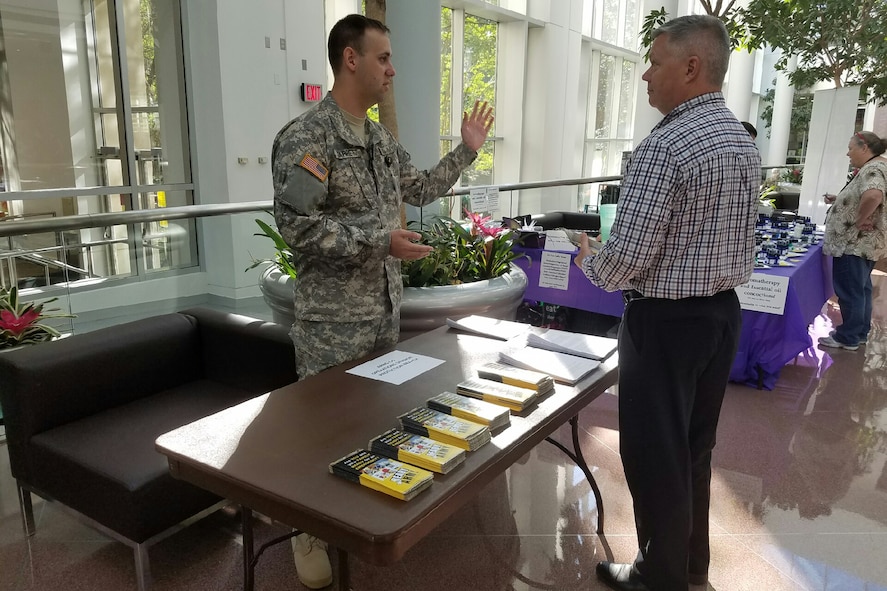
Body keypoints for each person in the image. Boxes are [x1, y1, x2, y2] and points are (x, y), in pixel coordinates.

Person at [270, 13, 493, 589]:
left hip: (381, 316)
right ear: (351, 59)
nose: (392, 69)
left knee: (373, 423)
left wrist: (465, 152)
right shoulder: (308, 138)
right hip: (332, 323)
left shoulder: (376, 138)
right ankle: (308, 530)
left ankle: (358, 521)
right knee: (319, 430)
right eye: (384, 57)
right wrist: (380, 241)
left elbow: (415, 188)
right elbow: (298, 229)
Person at [573, 15, 760, 591]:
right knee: (693, 450)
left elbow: (625, 260)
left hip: (664, 323)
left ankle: (658, 575)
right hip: (721, 315)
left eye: (655, 62)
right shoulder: (739, 138)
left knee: (656, 457)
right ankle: (690, 564)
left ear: (691, 66)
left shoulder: (666, 145)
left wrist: (588, 257)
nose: (647, 76)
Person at [818, 131, 887, 351]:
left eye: (851, 148)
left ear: (864, 147)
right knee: (861, 289)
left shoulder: (873, 169)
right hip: (862, 244)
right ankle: (858, 333)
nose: (848, 153)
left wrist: (859, 220)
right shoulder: (877, 166)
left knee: (851, 290)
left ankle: (847, 337)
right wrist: (841, 200)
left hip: (854, 242)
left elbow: (874, 196)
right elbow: (865, 195)